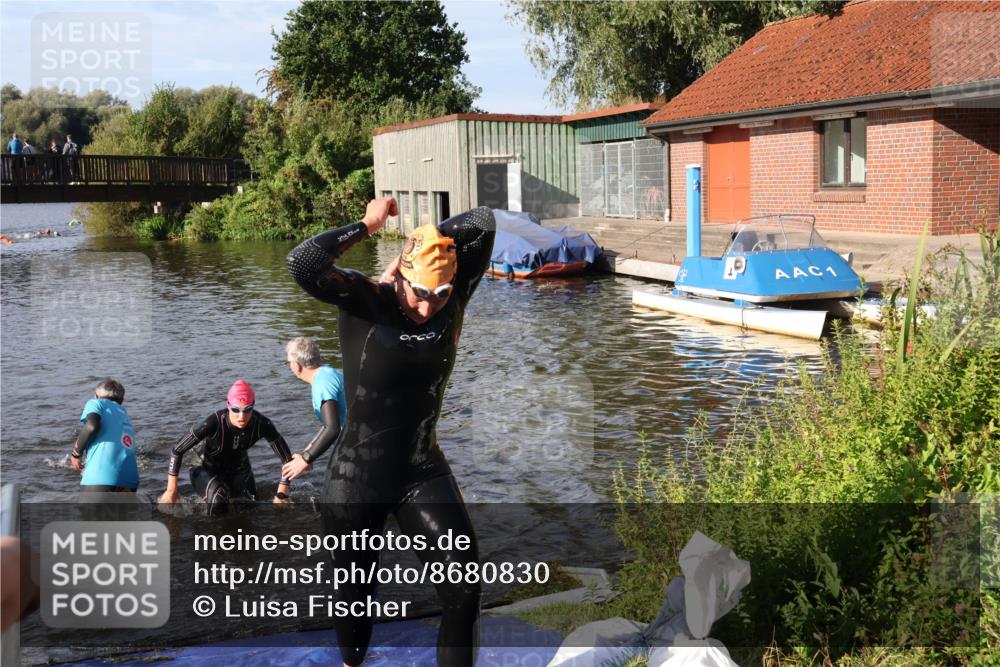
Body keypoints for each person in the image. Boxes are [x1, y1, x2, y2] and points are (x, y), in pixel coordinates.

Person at [285, 197, 495, 667]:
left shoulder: (453, 294)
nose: (427, 305)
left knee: (464, 585)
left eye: (439, 294)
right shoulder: (367, 301)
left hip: (421, 468)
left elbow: (482, 222)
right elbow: (302, 262)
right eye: (420, 291)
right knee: (355, 593)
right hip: (356, 477)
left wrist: (429, 241)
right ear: (400, 275)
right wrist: (368, 224)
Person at [157, 380, 293, 514]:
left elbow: (287, 459)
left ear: (253, 406)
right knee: (218, 501)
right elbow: (177, 450)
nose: (242, 416)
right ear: (228, 406)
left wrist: (282, 494)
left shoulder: (262, 424)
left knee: (249, 508)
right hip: (205, 467)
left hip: (239, 468)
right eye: (236, 410)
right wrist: (171, 490)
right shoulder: (213, 422)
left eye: (247, 410)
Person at [282, 337, 347, 473]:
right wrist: (309, 450)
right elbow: (331, 424)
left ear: (296, 365)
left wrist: (306, 459)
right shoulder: (327, 373)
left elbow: (332, 428)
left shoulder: (322, 382)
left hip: (355, 447)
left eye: (288, 363)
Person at [71, 378, 139, 492]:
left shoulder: (95, 403)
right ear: (122, 400)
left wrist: (76, 453)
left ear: (96, 396)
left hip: (101, 478)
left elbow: (92, 426)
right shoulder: (123, 413)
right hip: (130, 480)